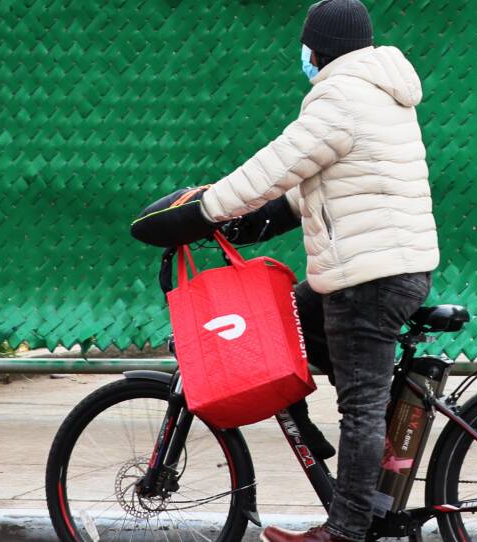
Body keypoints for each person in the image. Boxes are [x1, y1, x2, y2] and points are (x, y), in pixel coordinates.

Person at [132, 1, 439, 541]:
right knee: (281, 322)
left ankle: (346, 531)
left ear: (318, 49)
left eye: (307, 49)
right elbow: (328, 180)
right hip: (391, 268)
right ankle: (335, 454)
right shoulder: (381, 90)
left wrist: (201, 210)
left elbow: (273, 168)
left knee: (360, 407)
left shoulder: (340, 96)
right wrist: (263, 222)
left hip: (368, 280)